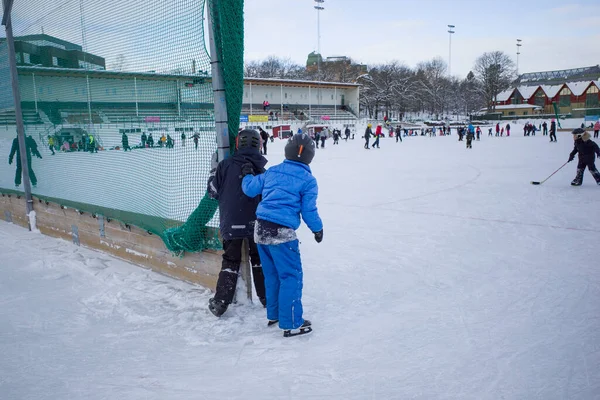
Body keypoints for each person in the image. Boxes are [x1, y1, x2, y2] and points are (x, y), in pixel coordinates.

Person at [241, 133, 322, 337]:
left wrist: (247, 173)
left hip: (260, 230)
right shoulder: (308, 180)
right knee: (290, 276)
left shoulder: (273, 172)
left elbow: (249, 189)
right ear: (309, 157)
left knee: (273, 275)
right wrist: (317, 229)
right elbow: (308, 211)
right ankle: (291, 322)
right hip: (282, 233)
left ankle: (275, 314)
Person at [207, 129, 268, 317]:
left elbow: (212, 191)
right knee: (259, 260)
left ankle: (220, 302)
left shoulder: (225, 166)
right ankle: (267, 299)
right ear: (258, 145)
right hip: (256, 223)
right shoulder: (261, 169)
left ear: (237, 144)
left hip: (231, 222)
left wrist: (212, 172)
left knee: (230, 260)